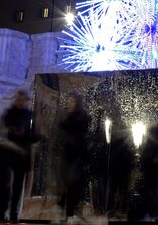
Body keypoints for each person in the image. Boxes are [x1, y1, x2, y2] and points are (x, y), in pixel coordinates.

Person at [0, 90, 37, 224]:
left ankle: (14, 214)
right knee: (5, 184)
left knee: (18, 186)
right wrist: (14, 130)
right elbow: (6, 127)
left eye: (24, 100)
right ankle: (2, 212)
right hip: (9, 153)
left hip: (22, 155)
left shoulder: (30, 115)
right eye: (19, 99)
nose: (21, 102)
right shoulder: (10, 113)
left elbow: (32, 135)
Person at [59, 93, 90, 224]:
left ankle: (69, 211)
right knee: (72, 184)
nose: (69, 104)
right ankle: (69, 212)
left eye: (72, 102)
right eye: (68, 101)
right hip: (72, 155)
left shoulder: (80, 117)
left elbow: (77, 131)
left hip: (77, 155)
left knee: (75, 185)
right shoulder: (71, 117)